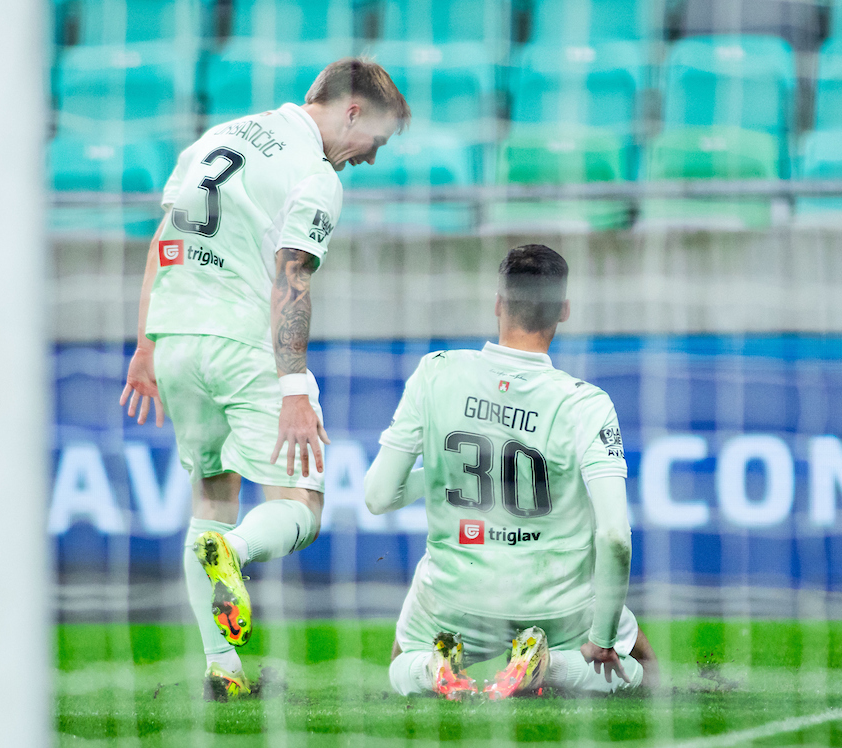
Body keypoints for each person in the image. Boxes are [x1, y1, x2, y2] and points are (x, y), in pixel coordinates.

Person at [119, 59, 410, 701]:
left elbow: (164, 241)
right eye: (377, 140)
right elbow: (291, 279)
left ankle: (222, 669)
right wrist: (294, 389)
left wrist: (145, 346)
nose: (370, 158)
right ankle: (236, 553)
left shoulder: (215, 138)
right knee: (301, 507)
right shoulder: (313, 174)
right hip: (243, 341)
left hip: (176, 339)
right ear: (352, 111)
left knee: (210, 503)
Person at [363, 244, 658, 700]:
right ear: (563, 310)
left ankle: (431, 668)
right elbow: (615, 535)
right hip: (557, 599)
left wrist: (442, 471)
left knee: (404, 656)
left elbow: (378, 497)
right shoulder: (585, 402)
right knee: (645, 666)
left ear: (498, 303)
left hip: (457, 595)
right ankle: (550, 666)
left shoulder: (436, 373)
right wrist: (601, 637)